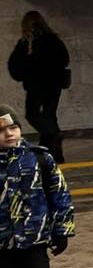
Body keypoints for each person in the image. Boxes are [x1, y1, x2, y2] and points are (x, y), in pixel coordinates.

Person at [0, 104, 73, 268]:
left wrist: (62, 229)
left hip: (34, 239)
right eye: (2, 131)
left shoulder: (39, 158)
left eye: (13, 127)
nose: (9, 134)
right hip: (2, 245)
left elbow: (59, 194)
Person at [7, 11, 70, 162]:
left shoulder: (27, 42)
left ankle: (53, 135)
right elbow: (64, 59)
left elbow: (15, 64)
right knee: (49, 115)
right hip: (54, 84)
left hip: (36, 85)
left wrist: (26, 73)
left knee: (32, 114)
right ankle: (54, 155)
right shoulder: (53, 39)